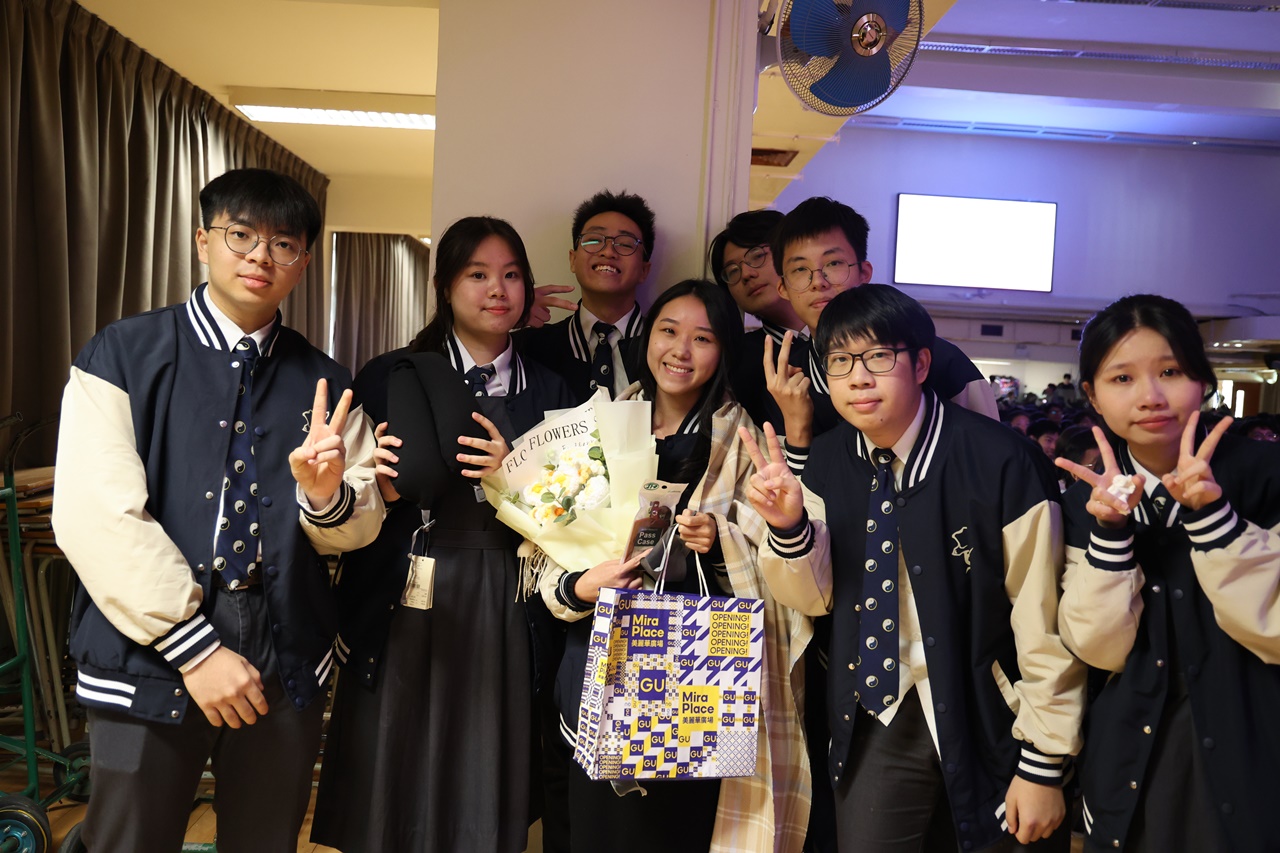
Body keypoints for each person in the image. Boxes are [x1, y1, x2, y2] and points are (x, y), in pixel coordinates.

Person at [51, 168, 383, 852]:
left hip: (283, 643)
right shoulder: (122, 353)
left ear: (304, 262)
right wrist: (195, 649)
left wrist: (325, 497)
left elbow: (357, 530)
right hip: (146, 643)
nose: (261, 256)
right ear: (204, 241)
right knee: (128, 840)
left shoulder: (327, 382)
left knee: (264, 839)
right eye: (241, 235)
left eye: (283, 244)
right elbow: (97, 514)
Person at [745, 284, 1085, 852]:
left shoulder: (1001, 460)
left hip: (992, 714)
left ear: (921, 363)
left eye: (879, 356)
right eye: (840, 361)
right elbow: (812, 599)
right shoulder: (826, 461)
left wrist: (1044, 761)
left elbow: (1042, 618)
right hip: (878, 715)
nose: (858, 378)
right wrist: (788, 527)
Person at [311, 216, 574, 852]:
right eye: (478, 274)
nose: (497, 290)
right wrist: (378, 485)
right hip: (407, 582)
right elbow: (352, 493)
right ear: (445, 286)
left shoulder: (557, 387)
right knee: (394, 752)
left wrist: (515, 474)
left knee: (485, 754)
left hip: (506, 590)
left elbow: (578, 518)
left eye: (512, 275)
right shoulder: (391, 374)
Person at [538, 280, 812, 853]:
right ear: (647, 339)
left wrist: (718, 540)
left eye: (703, 338)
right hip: (593, 659)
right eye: (668, 331)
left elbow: (782, 565)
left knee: (673, 831)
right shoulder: (598, 426)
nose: (681, 350)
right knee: (589, 831)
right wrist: (581, 585)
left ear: (724, 351)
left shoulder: (741, 439)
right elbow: (548, 546)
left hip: (692, 677)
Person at [1053, 294, 1280, 853]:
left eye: (1171, 372)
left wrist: (1214, 519)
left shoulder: (1267, 477)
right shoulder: (1086, 502)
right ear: (1093, 396)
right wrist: (1110, 532)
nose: (1150, 396)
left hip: (1255, 754)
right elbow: (1098, 650)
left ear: (1203, 380)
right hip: (1132, 762)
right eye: (1122, 378)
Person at [761, 197, 997, 476]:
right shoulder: (787, 379)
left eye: (834, 263)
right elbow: (793, 493)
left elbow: (989, 463)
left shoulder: (941, 361)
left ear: (864, 273)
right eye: (800, 269)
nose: (818, 282)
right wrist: (796, 424)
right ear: (783, 287)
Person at [515, 189, 656, 403]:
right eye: (593, 240)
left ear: (644, 270)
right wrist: (510, 316)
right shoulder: (529, 346)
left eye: (625, 244)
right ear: (573, 260)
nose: (608, 252)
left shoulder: (666, 349)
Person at [709, 209, 806, 428]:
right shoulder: (735, 359)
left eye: (757, 256)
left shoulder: (847, 334)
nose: (746, 274)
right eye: (732, 271)